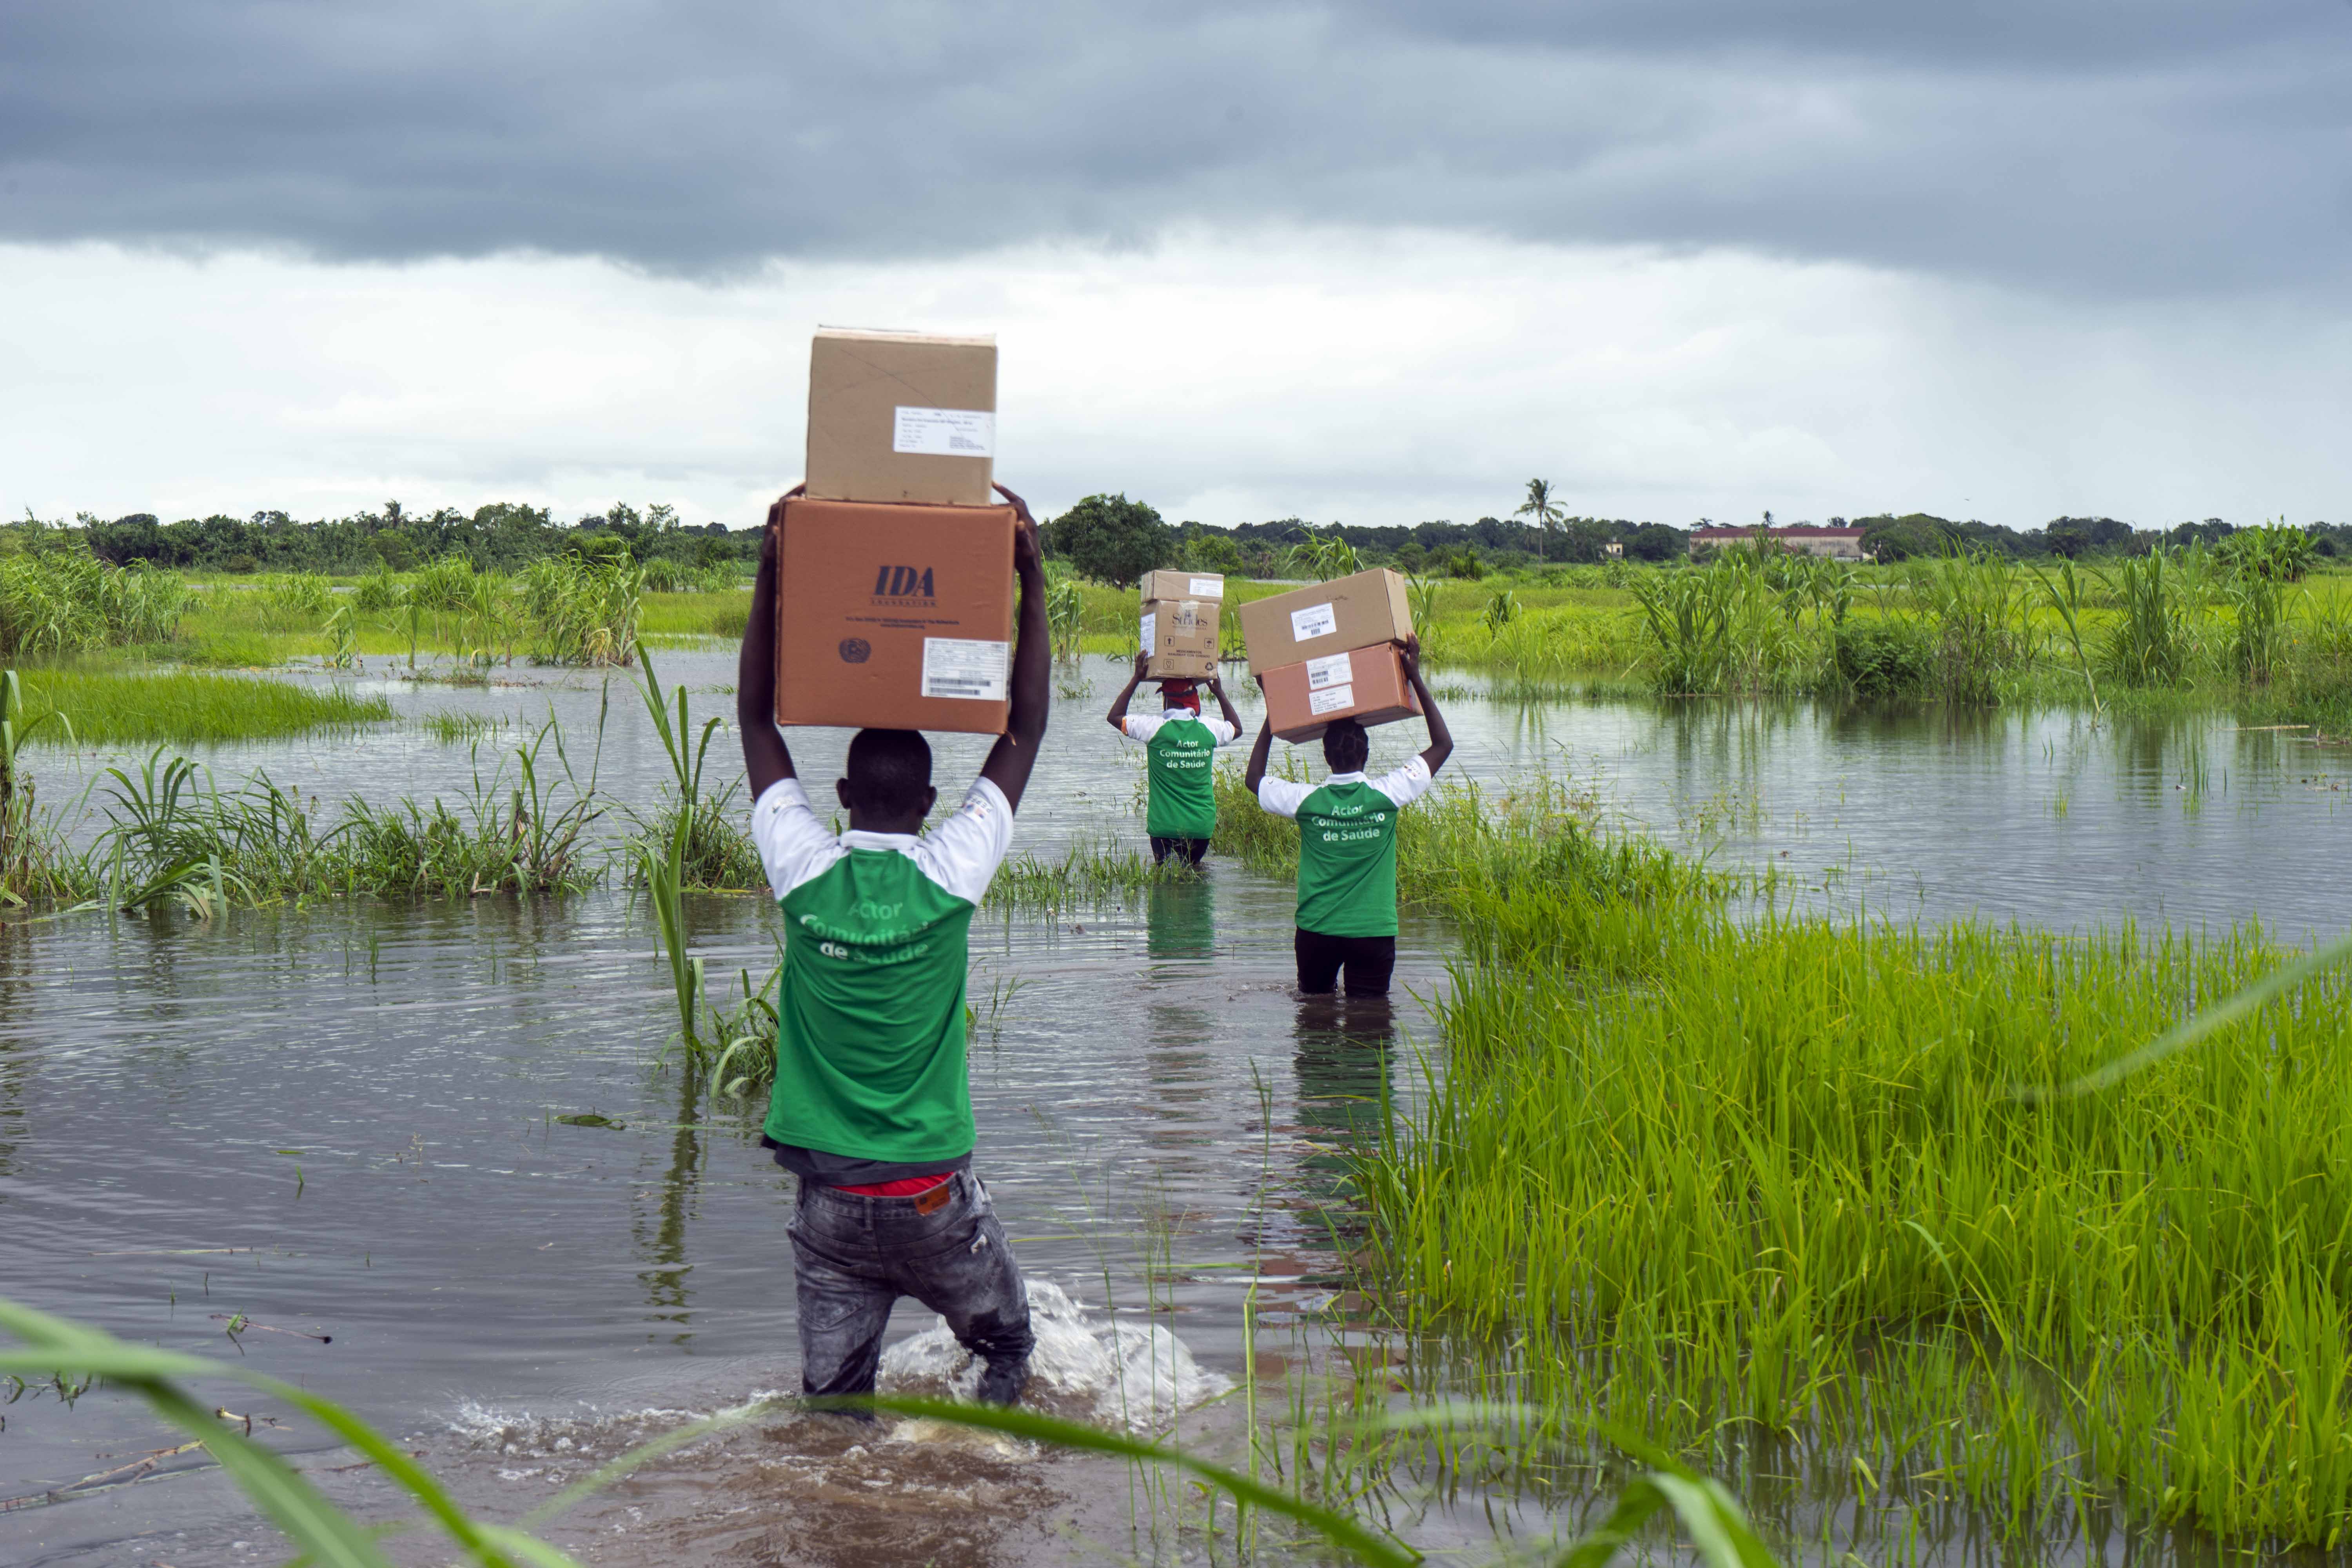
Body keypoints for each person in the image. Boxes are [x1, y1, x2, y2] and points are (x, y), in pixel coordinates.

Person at [735, 481, 1050, 1411]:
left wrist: (771, 571)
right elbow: (1024, 727)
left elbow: (757, 720)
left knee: (833, 1405)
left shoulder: (802, 867)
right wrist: (1033, 581)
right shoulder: (952, 870)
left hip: (830, 1207)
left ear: (839, 794)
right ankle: (986, 1463)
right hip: (934, 1207)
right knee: (1009, 1347)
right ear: (925, 803)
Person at [1242, 637, 1452, 998]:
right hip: (1372, 933)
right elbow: (1443, 745)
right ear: (1366, 755)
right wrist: (1414, 675)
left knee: (1314, 1030)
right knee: (1370, 1036)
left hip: (1317, 933)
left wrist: (1272, 712)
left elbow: (1254, 779)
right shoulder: (1390, 793)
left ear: (1326, 757)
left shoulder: (1305, 801)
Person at [1106, 651, 1243, 866]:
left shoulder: (1153, 729)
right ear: (1193, 702)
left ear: (1167, 700)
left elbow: (1114, 717)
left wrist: (1136, 679)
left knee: (1166, 881)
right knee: (1193, 874)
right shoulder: (1209, 729)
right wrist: (1219, 694)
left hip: (1164, 828)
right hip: (1201, 828)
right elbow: (1236, 728)